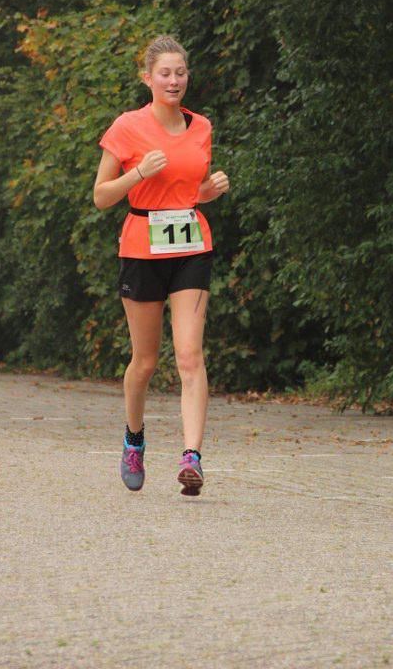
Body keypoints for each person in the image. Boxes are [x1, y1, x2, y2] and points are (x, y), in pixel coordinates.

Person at [93, 35, 229, 496]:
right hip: (141, 248)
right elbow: (100, 197)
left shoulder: (202, 126)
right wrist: (137, 174)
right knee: (146, 362)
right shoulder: (127, 127)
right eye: (165, 74)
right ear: (147, 78)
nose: (174, 81)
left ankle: (192, 456)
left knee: (190, 357)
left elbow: (187, 192)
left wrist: (207, 192)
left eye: (181, 73)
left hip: (191, 245)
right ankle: (134, 439)